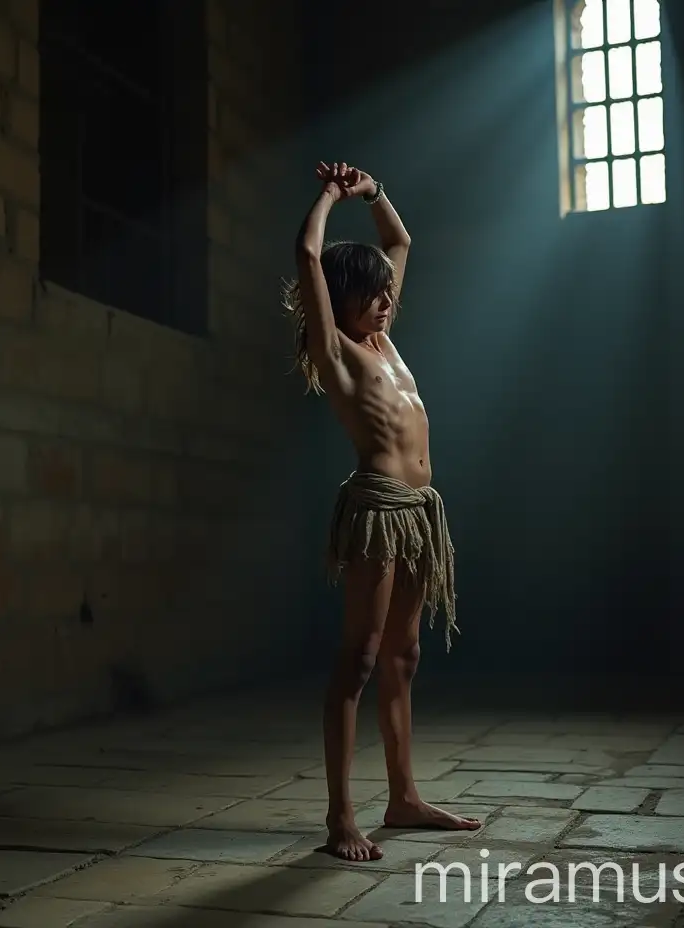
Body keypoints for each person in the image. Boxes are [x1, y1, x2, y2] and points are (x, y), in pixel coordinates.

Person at [282, 162, 482, 861]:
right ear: (343, 300)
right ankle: (341, 817)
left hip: (420, 512)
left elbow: (400, 244)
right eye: (373, 294)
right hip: (376, 510)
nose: (387, 301)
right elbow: (308, 254)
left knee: (405, 655)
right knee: (360, 659)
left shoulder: (385, 340)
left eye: (388, 294)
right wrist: (332, 196)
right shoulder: (335, 349)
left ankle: (402, 798)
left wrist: (375, 192)